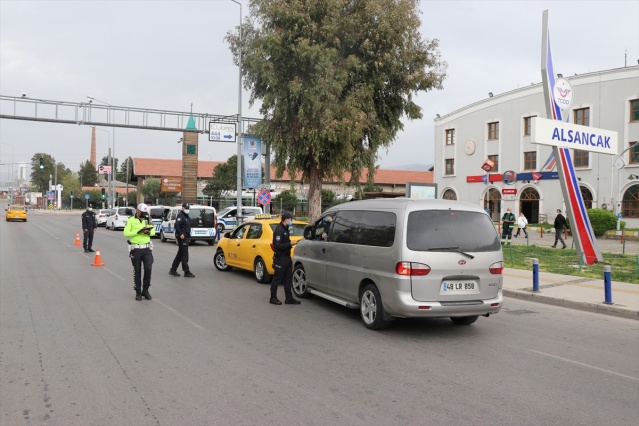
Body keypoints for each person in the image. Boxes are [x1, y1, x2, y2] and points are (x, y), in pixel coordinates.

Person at [123, 203, 156, 301]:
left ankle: (145, 290)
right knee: (137, 271)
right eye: (143, 212)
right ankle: (138, 291)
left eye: (146, 212)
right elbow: (126, 233)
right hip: (136, 249)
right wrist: (138, 231)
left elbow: (154, 232)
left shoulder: (148, 219)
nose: (144, 214)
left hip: (147, 248)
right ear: (137, 211)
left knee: (148, 269)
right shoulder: (131, 220)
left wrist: (148, 232)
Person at [270, 211, 301, 305]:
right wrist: (290, 244)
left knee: (288, 278)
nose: (291, 221)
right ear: (286, 220)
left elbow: (284, 243)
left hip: (287, 257)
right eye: (290, 219)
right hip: (281, 258)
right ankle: (273, 298)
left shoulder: (286, 228)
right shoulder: (279, 230)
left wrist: (290, 243)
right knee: (277, 278)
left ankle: (289, 298)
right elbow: (277, 246)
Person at [169, 203, 195, 278]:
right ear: (182, 208)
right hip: (182, 238)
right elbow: (176, 225)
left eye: (188, 208)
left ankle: (173, 270)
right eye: (186, 208)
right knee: (184, 255)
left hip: (185, 237)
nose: (187, 209)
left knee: (180, 255)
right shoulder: (181, 215)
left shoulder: (185, 216)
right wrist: (181, 234)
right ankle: (186, 271)